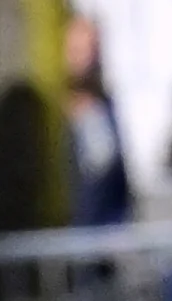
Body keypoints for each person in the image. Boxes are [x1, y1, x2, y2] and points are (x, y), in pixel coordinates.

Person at [66, 13, 137, 229]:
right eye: (75, 50)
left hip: (103, 231)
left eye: (89, 50)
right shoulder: (55, 112)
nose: (83, 59)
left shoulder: (111, 110)